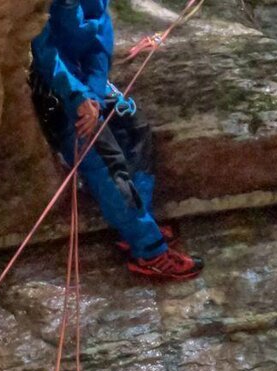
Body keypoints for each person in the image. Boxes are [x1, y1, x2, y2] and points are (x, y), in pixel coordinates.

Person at [29, 0, 202, 281]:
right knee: (103, 153)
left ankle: (136, 225)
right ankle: (149, 252)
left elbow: (99, 43)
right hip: (54, 87)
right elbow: (43, 50)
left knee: (136, 128)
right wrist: (76, 97)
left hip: (86, 81)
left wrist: (94, 95)